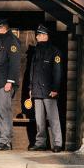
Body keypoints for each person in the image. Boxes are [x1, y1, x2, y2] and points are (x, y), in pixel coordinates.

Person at [28, 24, 63, 153]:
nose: (36, 37)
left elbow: (57, 72)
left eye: (38, 35)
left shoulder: (54, 52)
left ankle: (57, 143)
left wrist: (55, 88)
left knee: (53, 119)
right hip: (37, 90)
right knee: (39, 120)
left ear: (44, 36)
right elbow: (32, 71)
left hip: (49, 91)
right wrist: (30, 87)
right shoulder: (36, 51)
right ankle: (40, 143)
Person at [0, 19, 21, 150]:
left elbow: (14, 62)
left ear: (3, 28)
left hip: (5, 83)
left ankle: (5, 142)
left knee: (5, 112)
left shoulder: (11, 40)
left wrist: (10, 81)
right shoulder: (1, 39)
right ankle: (4, 140)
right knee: (2, 111)